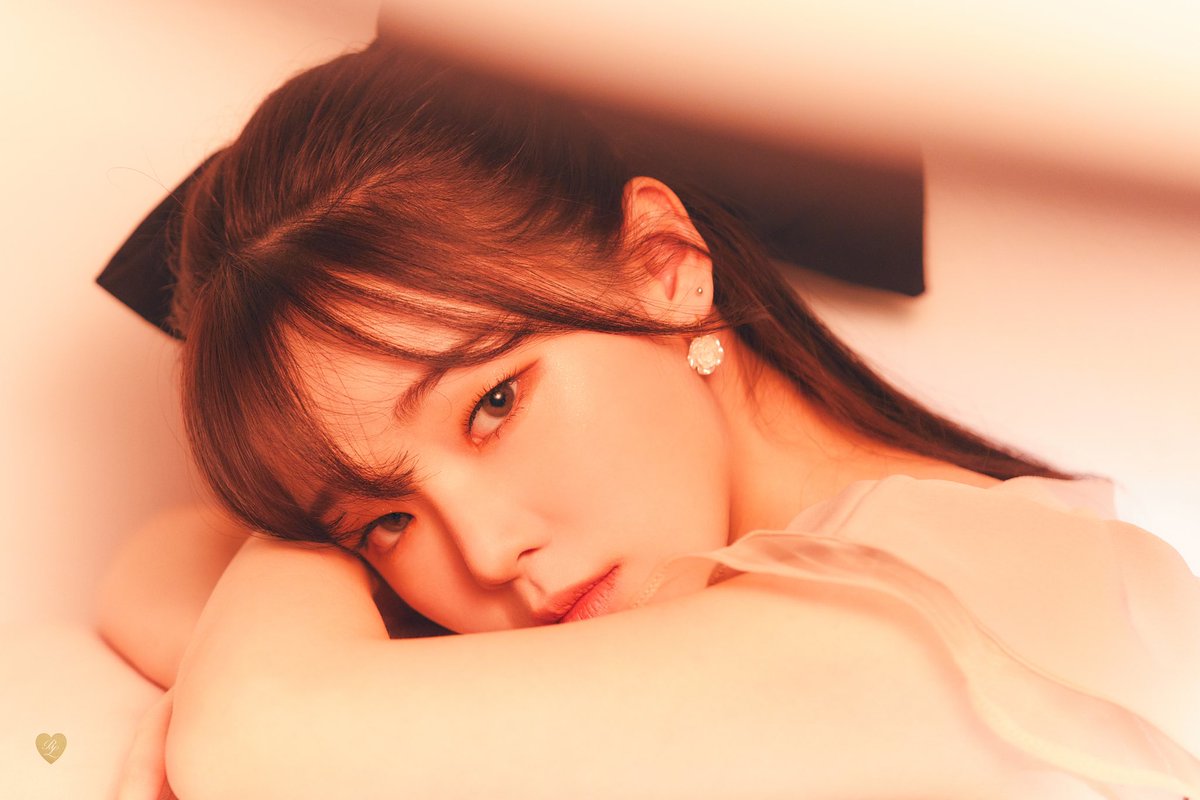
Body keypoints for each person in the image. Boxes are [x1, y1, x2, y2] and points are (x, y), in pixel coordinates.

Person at [102, 40, 1199, 800]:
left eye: (493, 402)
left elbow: (257, 737)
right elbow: (153, 568)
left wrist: (282, 659)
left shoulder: (1001, 591)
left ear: (665, 266)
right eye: (384, 524)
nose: (486, 553)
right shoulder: (691, 646)